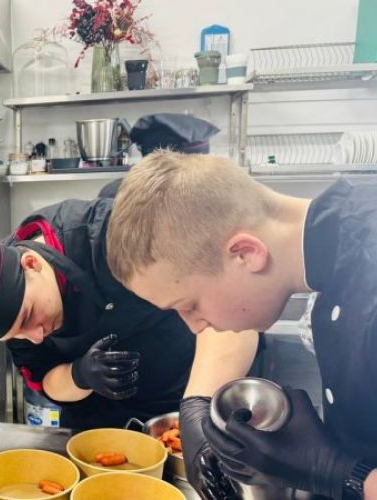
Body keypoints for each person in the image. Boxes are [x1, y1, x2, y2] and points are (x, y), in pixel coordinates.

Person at [106, 150, 377, 500]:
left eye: (190, 305)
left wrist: (339, 473)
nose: (194, 327)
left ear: (246, 254)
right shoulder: (340, 246)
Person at [0, 195, 258, 433]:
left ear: (31, 264)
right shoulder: (16, 317)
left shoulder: (114, 235)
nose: (36, 336)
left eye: (29, 317)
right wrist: (80, 375)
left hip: (186, 397)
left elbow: (232, 307)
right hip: (99, 424)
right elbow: (46, 378)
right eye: (17, 335)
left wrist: (198, 410)